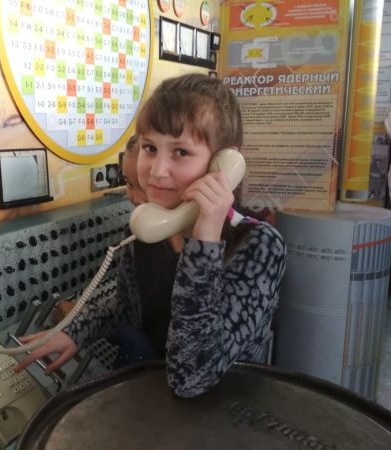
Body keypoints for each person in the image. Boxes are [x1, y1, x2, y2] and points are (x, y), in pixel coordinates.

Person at [16, 73, 287, 397]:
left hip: (226, 410)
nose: (157, 171)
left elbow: (192, 376)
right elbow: (126, 307)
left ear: (223, 164)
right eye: (150, 148)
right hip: (152, 401)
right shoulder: (146, 231)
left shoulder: (259, 246)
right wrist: (76, 329)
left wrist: (205, 242)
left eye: (181, 152)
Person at [52, 133, 147, 324]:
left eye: (146, 185)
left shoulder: (208, 250)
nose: (135, 198)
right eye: (129, 184)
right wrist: (83, 319)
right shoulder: (135, 233)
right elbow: (124, 309)